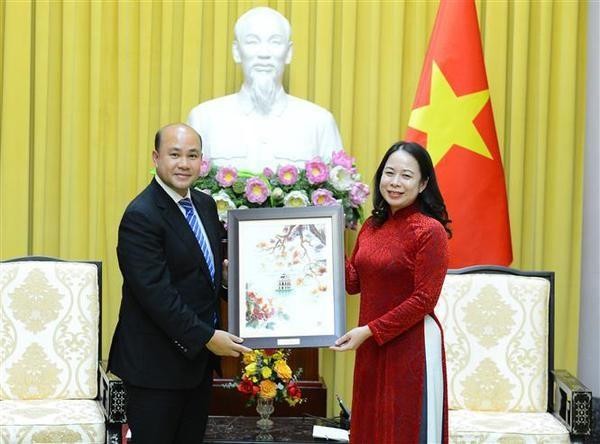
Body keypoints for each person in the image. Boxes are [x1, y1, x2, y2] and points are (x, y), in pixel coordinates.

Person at [108, 123, 251, 444]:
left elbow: (199, 274)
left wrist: (225, 281)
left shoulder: (204, 204)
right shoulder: (141, 215)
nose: (184, 164)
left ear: (202, 161)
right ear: (156, 158)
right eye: (174, 155)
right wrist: (206, 337)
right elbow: (156, 295)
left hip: (195, 366)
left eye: (192, 155)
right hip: (154, 368)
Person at [331, 141, 451, 443]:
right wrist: (325, 241)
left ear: (423, 183)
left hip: (412, 346)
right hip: (371, 344)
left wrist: (370, 330)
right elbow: (354, 282)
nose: (395, 182)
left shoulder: (429, 231)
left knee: (404, 431)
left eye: (406, 176)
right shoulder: (372, 225)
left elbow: (424, 300)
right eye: (389, 173)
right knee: (370, 427)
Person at [187, 6, 342, 172]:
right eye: (252, 42)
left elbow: (338, 192)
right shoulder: (204, 118)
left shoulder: (319, 122)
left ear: (288, 52)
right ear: (236, 51)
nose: (264, 53)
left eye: (275, 42)